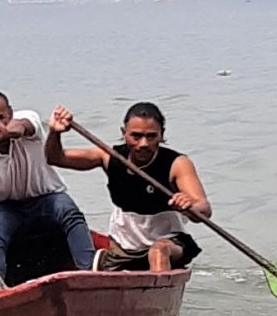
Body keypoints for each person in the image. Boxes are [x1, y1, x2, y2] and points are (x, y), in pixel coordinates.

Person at [45, 103, 210, 273]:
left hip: (169, 245)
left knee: (158, 252)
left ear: (162, 135)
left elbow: (203, 209)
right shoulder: (109, 157)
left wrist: (189, 206)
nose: (143, 144)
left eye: (151, 136)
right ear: (124, 133)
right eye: (136, 136)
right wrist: (55, 133)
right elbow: (55, 158)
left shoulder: (178, 164)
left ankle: (158, 285)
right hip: (123, 249)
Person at [0, 91, 95, 284]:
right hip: (9, 208)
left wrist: (7, 132)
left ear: (10, 114)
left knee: (69, 212)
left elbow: (23, 127)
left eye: (0, 118)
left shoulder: (27, 120)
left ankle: (89, 274)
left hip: (48, 199)